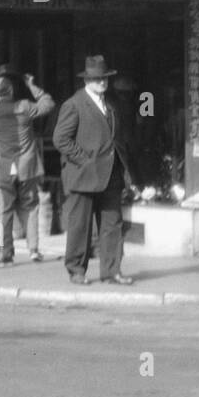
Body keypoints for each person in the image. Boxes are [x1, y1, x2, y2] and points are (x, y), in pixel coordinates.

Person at [53, 55, 136, 285]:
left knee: (112, 225)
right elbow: (61, 139)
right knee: (80, 226)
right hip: (83, 175)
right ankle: (76, 271)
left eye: (105, 78)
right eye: (97, 79)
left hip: (111, 175)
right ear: (87, 81)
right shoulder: (74, 104)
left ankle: (111, 271)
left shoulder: (110, 105)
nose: (102, 82)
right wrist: (84, 159)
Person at [0, 70, 55, 265]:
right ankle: (33, 250)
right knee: (30, 207)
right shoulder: (25, 107)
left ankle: (6, 253)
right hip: (25, 167)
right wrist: (33, 86)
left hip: (1, 168)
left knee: (2, 211)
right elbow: (48, 104)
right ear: (13, 91)